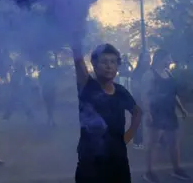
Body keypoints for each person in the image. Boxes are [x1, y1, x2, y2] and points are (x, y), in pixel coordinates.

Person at [72, 42, 142, 183]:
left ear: (117, 66)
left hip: (118, 160)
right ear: (94, 64)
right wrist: (75, 41)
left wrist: (128, 136)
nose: (109, 66)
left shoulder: (121, 91)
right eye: (104, 62)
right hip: (90, 162)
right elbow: (79, 62)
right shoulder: (87, 86)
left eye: (113, 62)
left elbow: (137, 112)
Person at [142, 49, 190, 183]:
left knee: (174, 143)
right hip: (156, 113)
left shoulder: (168, 73)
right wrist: (148, 113)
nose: (170, 61)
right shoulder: (149, 75)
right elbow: (145, 96)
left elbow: (172, 94)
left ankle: (177, 169)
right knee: (153, 144)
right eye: (168, 58)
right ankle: (149, 172)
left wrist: (181, 109)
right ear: (160, 59)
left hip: (169, 113)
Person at [131, 52, 150, 149]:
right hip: (138, 100)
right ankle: (138, 141)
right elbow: (135, 87)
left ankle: (158, 141)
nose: (148, 60)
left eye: (149, 58)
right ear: (141, 60)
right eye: (145, 58)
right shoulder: (137, 72)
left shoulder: (151, 71)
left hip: (150, 100)